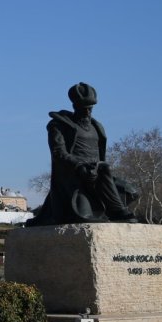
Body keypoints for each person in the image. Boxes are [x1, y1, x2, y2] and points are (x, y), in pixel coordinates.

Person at [27, 82, 137, 226]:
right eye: (83, 108)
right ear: (75, 106)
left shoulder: (97, 126)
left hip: (99, 174)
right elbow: (59, 153)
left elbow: (100, 155)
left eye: (90, 108)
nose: (87, 112)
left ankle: (115, 209)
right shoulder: (58, 125)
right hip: (74, 175)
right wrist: (79, 165)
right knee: (85, 216)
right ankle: (116, 210)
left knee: (130, 191)